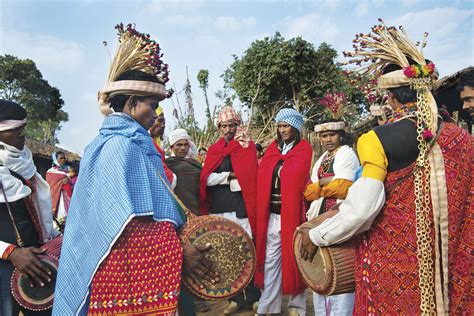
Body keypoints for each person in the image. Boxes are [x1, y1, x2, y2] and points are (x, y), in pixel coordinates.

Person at [301, 21, 473, 314]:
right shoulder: (461, 138)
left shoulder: (375, 140)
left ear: (390, 96)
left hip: (395, 273)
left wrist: (316, 235)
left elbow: (362, 210)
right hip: (453, 268)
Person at [53, 23, 214, 315]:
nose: (154, 115)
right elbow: (126, 224)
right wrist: (178, 252)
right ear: (131, 102)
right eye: (151, 106)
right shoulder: (119, 147)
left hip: (134, 273)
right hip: (122, 278)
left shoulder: (121, 143)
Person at [0, 99, 59, 316]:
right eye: (14, 129)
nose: (22, 133)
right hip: (5, 266)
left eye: (23, 127)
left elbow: (36, 214)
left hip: (34, 263)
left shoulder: (25, 163)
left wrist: (54, 237)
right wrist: (11, 252)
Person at [199, 106, 261, 314]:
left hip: (241, 206)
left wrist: (229, 179)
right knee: (228, 252)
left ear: (237, 125)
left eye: (231, 125)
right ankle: (234, 299)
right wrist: (229, 176)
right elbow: (207, 179)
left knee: (246, 250)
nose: (227, 129)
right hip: (219, 207)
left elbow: (248, 178)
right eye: (224, 126)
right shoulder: (215, 149)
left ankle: (253, 297)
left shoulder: (246, 146)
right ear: (219, 128)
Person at [255, 107, 312, 316]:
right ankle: (268, 305)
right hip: (272, 213)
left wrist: (282, 166)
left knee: (295, 256)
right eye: (280, 126)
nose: (283, 130)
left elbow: (296, 176)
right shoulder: (272, 149)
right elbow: (263, 175)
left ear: (295, 127)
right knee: (271, 260)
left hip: (293, 213)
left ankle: (297, 306)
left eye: (286, 126)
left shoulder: (303, 149)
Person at [304, 119, 359, 315]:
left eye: (332, 135)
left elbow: (344, 187)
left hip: (339, 218)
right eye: (324, 136)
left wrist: (319, 187)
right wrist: (323, 184)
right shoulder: (321, 159)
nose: (328, 139)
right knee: (322, 271)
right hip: (320, 218)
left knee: (340, 273)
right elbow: (308, 193)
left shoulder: (347, 154)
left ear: (341, 135)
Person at [165, 129, 208, 314]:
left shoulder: (195, 164)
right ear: (172, 147)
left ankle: (198, 295)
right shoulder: (167, 166)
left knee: (197, 256)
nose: (182, 148)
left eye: (185, 144)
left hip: (196, 214)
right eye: (178, 145)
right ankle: (184, 299)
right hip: (176, 216)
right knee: (182, 257)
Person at [149, 107, 176, 187]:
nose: (163, 125)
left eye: (164, 122)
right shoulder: (144, 143)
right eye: (160, 121)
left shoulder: (157, 145)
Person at [45, 151, 70, 223]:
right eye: (61, 158)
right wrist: (61, 182)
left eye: (64, 158)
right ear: (55, 160)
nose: (63, 160)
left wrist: (68, 178)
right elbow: (51, 186)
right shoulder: (51, 172)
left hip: (68, 197)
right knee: (61, 218)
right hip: (58, 197)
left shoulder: (68, 169)